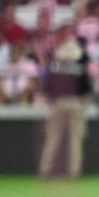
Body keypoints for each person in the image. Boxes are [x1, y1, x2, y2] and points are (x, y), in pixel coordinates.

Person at [38, 33, 92, 179]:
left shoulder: (54, 68)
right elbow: (86, 92)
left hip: (58, 103)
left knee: (52, 137)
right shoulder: (80, 69)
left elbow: (47, 88)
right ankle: (74, 171)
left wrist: (52, 101)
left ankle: (45, 169)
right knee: (75, 139)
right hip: (75, 103)